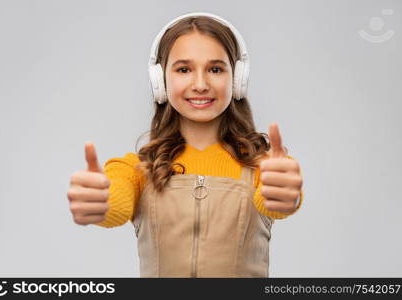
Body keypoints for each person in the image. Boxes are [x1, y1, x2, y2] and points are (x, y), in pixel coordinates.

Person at [67, 12, 304, 278]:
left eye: (215, 69)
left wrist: (285, 195)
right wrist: (100, 203)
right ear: (160, 81)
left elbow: (276, 202)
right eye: (183, 69)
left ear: (237, 79)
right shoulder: (137, 169)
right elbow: (115, 204)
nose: (200, 84)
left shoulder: (266, 167)